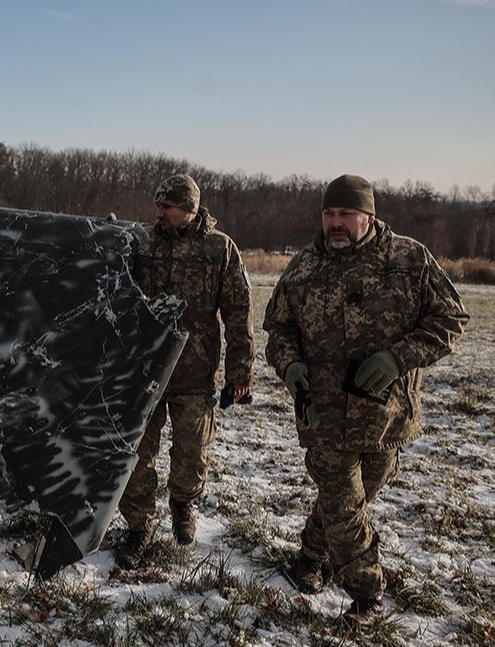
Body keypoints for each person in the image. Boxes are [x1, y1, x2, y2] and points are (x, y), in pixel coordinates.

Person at [264, 174, 468, 626]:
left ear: (368, 217)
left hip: (385, 418)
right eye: (328, 214)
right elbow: (278, 331)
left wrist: (400, 358)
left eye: (345, 215)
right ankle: (368, 596)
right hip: (321, 415)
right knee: (343, 503)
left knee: (351, 502)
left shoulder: (408, 259)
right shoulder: (302, 269)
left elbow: (451, 317)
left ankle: (309, 559)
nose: (335, 224)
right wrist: (289, 365)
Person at [116, 173, 255, 567]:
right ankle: (138, 526)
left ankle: (182, 504)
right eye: (157, 205)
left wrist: (240, 372)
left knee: (192, 453)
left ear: (189, 210)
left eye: (166, 207)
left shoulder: (219, 249)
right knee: (138, 454)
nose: (158, 212)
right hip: (145, 372)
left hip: (195, 372)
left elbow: (239, 313)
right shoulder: (142, 243)